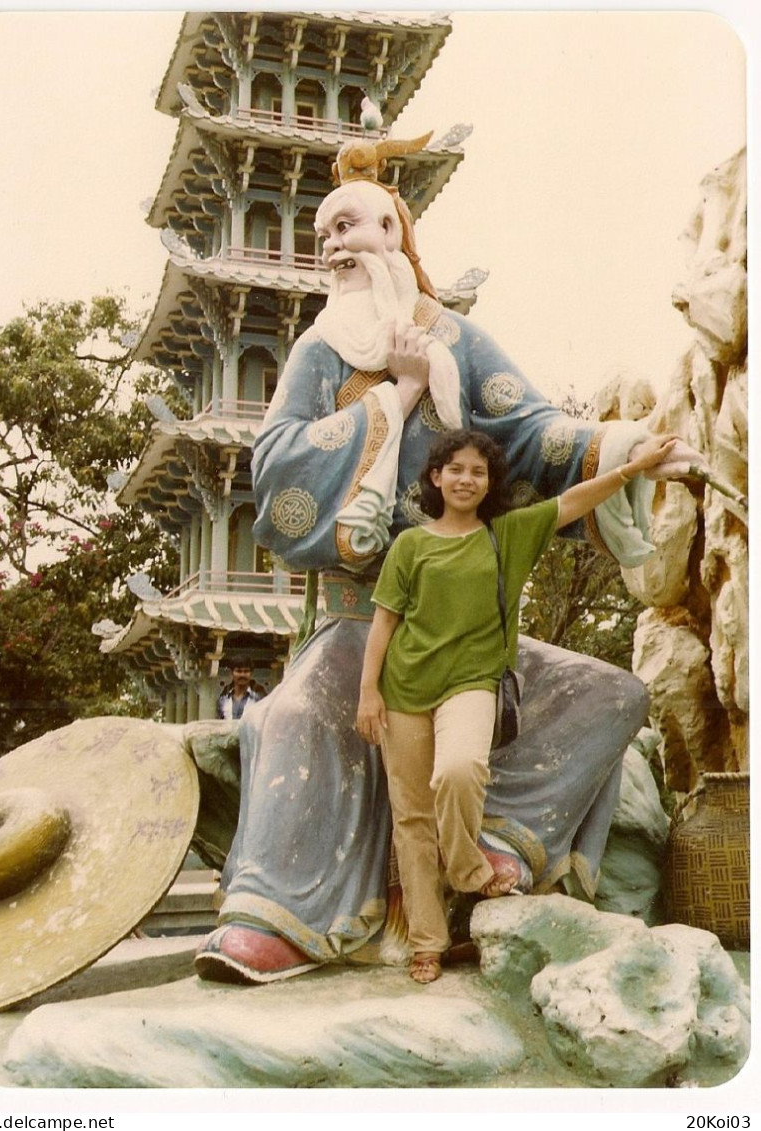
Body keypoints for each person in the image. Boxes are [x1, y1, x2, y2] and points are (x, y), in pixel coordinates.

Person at [194, 132, 702, 985]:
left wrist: (626, 446)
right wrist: (391, 397)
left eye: (359, 224)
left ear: (400, 238)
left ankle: (499, 841)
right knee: (293, 717)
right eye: (327, 230)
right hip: (362, 625)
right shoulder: (318, 355)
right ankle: (279, 912)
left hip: (469, 638)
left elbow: (532, 436)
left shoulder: (462, 342)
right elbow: (276, 472)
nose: (339, 242)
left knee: (614, 691)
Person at [356, 427, 676, 984]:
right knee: (411, 819)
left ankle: (466, 866)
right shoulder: (410, 545)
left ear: (488, 483)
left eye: (477, 471)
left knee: (461, 770)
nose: (466, 479)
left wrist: (631, 468)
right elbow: (384, 621)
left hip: (472, 684)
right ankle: (427, 943)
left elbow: (574, 500)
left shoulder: (506, 534)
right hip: (404, 689)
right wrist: (369, 692)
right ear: (436, 477)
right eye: (455, 469)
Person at [216, 657, 261, 721]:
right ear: (231, 673)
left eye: (246, 671)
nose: (242, 675)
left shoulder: (258, 701)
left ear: (251, 673)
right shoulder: (223, 700)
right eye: (238, 671)